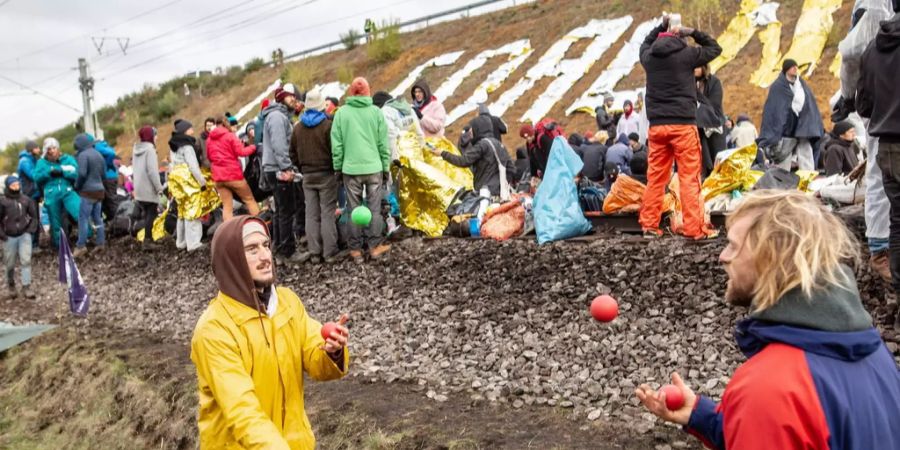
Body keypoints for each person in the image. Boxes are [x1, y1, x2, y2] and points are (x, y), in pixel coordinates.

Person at [635, 190, 900, 448]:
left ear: (771, 259)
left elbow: (779, 420)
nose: (722, 256)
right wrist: (703, 417)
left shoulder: (768, 390)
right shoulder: (877, 356)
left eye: (733, 246)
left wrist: (752, 414)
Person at [190, 216, 350, 449]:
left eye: (266, 245)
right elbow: (242, 411)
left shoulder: (287, 302)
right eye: (252, 249)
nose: (265, 257)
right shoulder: (214, 329)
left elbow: (317, 362)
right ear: (231, 260)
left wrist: (332, 351)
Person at [638, 15, 721, 240]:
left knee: (655, 178)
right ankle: (695, 229)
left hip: (657, 128)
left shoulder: (650, 57)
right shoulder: (687, 55)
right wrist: (692, 31)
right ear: (680, 36)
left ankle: (649, 226)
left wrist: (659, 27)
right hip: (683, 126)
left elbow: (644, 44)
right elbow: (715, 47)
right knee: (689, 177)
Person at [847, 0, 896, 284]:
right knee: (881, 172)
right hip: (884, 95)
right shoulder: (874, 5)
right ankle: (880, 247)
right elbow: (855, 54)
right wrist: (847, 95)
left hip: (881, 95)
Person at [858, 5, 900, 298]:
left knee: (897, 222)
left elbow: (864, 107)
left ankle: (898, 295)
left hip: (886, 147)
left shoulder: (872, 49)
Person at [331, 77, 391, 264]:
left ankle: (356, 250)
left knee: (353, 209)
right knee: (374, 209)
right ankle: (374, 247)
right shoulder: (376, 112)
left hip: (350, 169)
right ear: (367, 91)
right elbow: (383, 143)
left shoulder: (341, 114)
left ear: (351, 92)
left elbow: (337, 144)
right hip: (374, 167)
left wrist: (338, 168)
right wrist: (386, 166)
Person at [290, 89, 340, 264]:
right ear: (321, 106)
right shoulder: (328, 126)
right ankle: (330, 252)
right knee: (327, 213)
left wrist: (302, 168)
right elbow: (335, 150)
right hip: (326, 174)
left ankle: (314, 253)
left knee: (311, 214)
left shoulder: (298, 128)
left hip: (307, 176)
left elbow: (292, 153)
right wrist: (335, 169)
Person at [262, 83, 306, 263]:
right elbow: (280, 146)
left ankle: (279, 249)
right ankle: (288, 252)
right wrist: (287, 168)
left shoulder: (276, 116)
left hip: (274, 168)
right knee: (286, 210)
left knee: (280, 210)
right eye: (290, 96)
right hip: (279, 169)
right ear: (281, 97)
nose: (293, 99)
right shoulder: (277, 117)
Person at [758, 59, 824, 171]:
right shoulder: (778, 87)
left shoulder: (801, 85)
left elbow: (809, 106)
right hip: (786, 129)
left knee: (806, 155)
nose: (795, 68)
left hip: (802, 128)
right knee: (784, 158)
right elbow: (774, 109)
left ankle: (807, 180)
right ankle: (781, 183)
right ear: (786, 69)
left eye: (796, 66)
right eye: (792, 66)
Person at [432, 115, 516, 197]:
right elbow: (511, 168)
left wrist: (443, 153)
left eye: (472, 130)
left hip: (484, 192)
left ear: (478, 129)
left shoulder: (482, 145)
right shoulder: (499, 144)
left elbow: (463, 161)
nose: (471, 133)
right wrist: (501, 183)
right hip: (498, 193)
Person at [207, 116, 260, 222]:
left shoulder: (209, 139)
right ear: (225, 123)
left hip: (219, 178)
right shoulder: (230, 136)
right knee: (249, 200)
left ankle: (229, 232)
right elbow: (241, 152)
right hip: (233, 175)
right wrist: (254, 147)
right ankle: (260, 225)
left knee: (227, 207)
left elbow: (209, 157)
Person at [168, 119, 208, 252]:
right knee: (193, 211)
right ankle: (194, 243)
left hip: (177, 181)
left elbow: (172, 166)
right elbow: (193, 166)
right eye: (190, 128)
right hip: (188, 181)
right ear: (185, 130)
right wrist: (202, 182)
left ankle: (181, 242)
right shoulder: (187, 146)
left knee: (182, 212)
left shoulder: (174, 146)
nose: (192, 131)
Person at [33, 138, 79, 249]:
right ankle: (60, 246)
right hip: (51, 194)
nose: (52, 151)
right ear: (46, 150)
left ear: (58, 148)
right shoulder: (41, 162)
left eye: (54, 148)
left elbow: (75, 173)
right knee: (55, 222)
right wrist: (48, 173)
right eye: (49, 149)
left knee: (79, 213)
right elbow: (36, 177)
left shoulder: (67, 159)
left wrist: (62, 172)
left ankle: (86, 237)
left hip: (67, 191)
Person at [0, 176, 37, 299]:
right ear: (8, 186)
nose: (16, 186)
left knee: (26, 261)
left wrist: (29, 231)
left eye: (17, 184)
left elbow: (34, 216)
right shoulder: (3, 201)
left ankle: (26, 287)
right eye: (13, 185)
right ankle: (11, 285)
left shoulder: (26, 200)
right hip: (8, 237)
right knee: (9, 264)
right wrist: (3, 235)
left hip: (24, 235)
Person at [72, 133, 107, 256]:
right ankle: (100, 243)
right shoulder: (98, 154)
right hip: (99, 190)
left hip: (87, 192)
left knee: (83, 219)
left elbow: (82, 173)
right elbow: (104, 174)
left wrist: (77, 185)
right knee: (98, 218)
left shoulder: (83, 155)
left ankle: (81, 246)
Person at [131, 126, 165, 247]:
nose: (157, 138)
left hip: (139, 187)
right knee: (152, 214)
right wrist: (159, 188)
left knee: (147, 214)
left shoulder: (136, 149)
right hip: (149, 187)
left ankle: (148, 238)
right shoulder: (150, 150)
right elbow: (152, 171)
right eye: (155, 135)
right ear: (150, 136)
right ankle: (148, 240)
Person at [372, 91, 425, 163]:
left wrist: (394, 159)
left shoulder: (384, 111)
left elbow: (390, 135)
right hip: (416, 155)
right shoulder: (408, 108)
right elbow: (419, 133)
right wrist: (422, 153)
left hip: (400, 158)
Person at [695, 64, 726, 176]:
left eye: (697, 66)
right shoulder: (689, 83)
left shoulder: (714, 83)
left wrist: (697, 96)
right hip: (698, 129)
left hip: (714, 128)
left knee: (717, 164)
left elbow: (714, 106)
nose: (694, 69)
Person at [93, 137, 121, 222]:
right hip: (111, 176)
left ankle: (117, 220)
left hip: (108, 177)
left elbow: (111, 154)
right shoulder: (105, 146)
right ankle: (112, 219)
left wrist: (107, 164)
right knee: (107, 199)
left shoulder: (98, 146)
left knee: (110, 199)